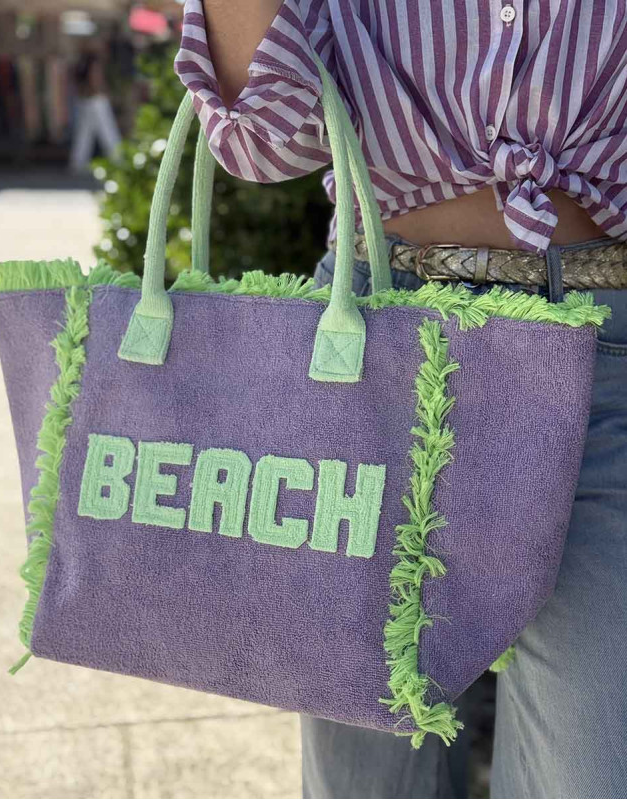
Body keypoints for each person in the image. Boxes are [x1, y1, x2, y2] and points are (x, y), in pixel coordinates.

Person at [174, 2, 627, 797]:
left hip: (603, 347)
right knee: (362, 777)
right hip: (379, 339)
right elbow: (261, 137)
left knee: (591, 770)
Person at [69, 41, 121, 174]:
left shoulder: (81, 63)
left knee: (84, 133)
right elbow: (96, 80)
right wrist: (103, 92)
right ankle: (118, 159)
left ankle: (78, 162)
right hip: (96, 100)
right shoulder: (94, 63)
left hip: (85, 100)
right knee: (107, 130)